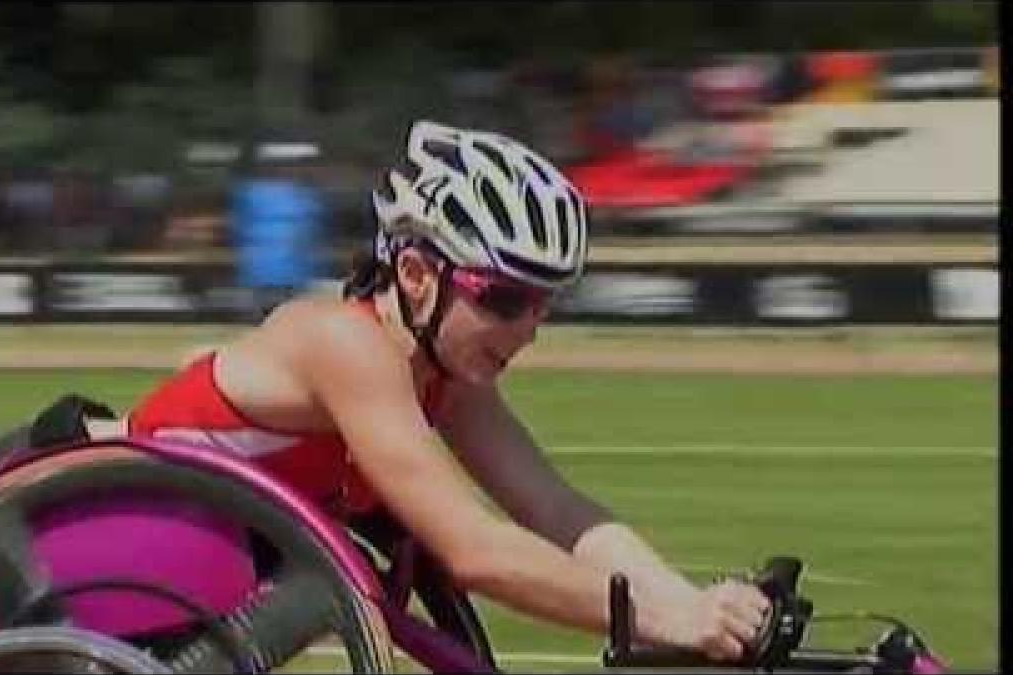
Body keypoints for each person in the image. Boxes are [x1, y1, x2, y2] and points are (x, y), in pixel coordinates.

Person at [126, 119, 770, 660]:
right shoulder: (346, 344)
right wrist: (660, 619)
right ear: (414, 274)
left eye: (545, 304)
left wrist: (690, 604)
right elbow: (474, 550)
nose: (527, 329)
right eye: (505, 299)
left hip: (202, 576)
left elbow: (556, 511)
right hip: (101, 552)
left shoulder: (446, 379)